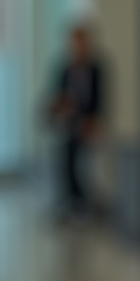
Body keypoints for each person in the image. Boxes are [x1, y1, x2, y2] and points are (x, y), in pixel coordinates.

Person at [47, 24, 104, 218]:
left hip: (88, 124)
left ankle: (82, 202)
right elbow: (58, 96)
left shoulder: (97, 69)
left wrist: (93, 122)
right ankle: (70, 200)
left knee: (79, 158)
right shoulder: (65, 69)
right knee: (64, 156)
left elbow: (101, 101)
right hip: (70, 123)